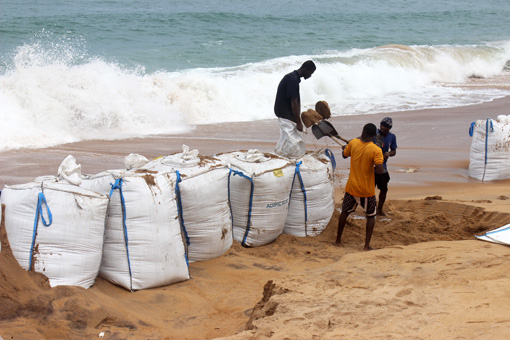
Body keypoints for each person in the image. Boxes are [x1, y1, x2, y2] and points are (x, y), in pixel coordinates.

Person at [334, 123, 385, 250]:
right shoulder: (376, 150)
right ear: (374, 135)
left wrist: (347, 147)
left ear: (362, 132)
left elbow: (344, 154)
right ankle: (366, 245)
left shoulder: (353, 143)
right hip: (366, 190)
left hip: (351, 187)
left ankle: (338, 240)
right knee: (370, 216)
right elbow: (380, 170)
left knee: (344, 213)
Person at [274, 60, 316, 158]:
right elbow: (294, 102)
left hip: (286, 114)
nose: (310, 76)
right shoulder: (292, 80)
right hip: (285, 114)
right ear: (306, 70)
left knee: (286, 139)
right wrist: (299, 122)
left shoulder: (293, 78)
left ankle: (280, 156)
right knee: (292, 142)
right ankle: (287, 160)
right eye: (311, 73)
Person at [373, 117, 397, 216]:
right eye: (382, 125)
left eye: (386, 126)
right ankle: (371, 209)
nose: (383, 127)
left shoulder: (392, 137)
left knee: (384, 189)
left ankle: (379, 210)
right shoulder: (374, 134)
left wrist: (388, 154)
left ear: (389, 128)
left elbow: (394, 151)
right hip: (371, 166)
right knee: (370, 189)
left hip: (382, 167)